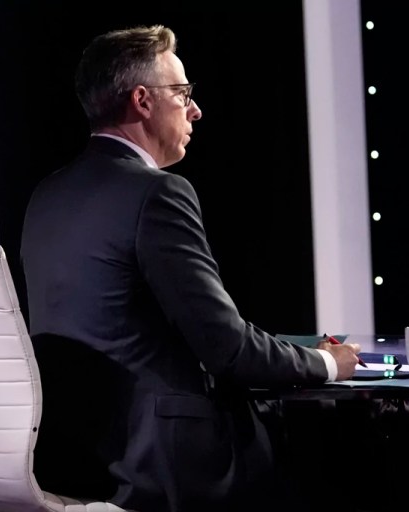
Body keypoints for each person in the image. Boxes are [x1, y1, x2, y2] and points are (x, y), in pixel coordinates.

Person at [19, 25, 360, 512]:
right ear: (142, 100)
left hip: (71, 459)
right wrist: (329, 364)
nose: (195, 109)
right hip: (164, 466)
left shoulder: (45, 196)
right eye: (181, 94)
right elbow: (228, 348)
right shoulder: (158, 193)